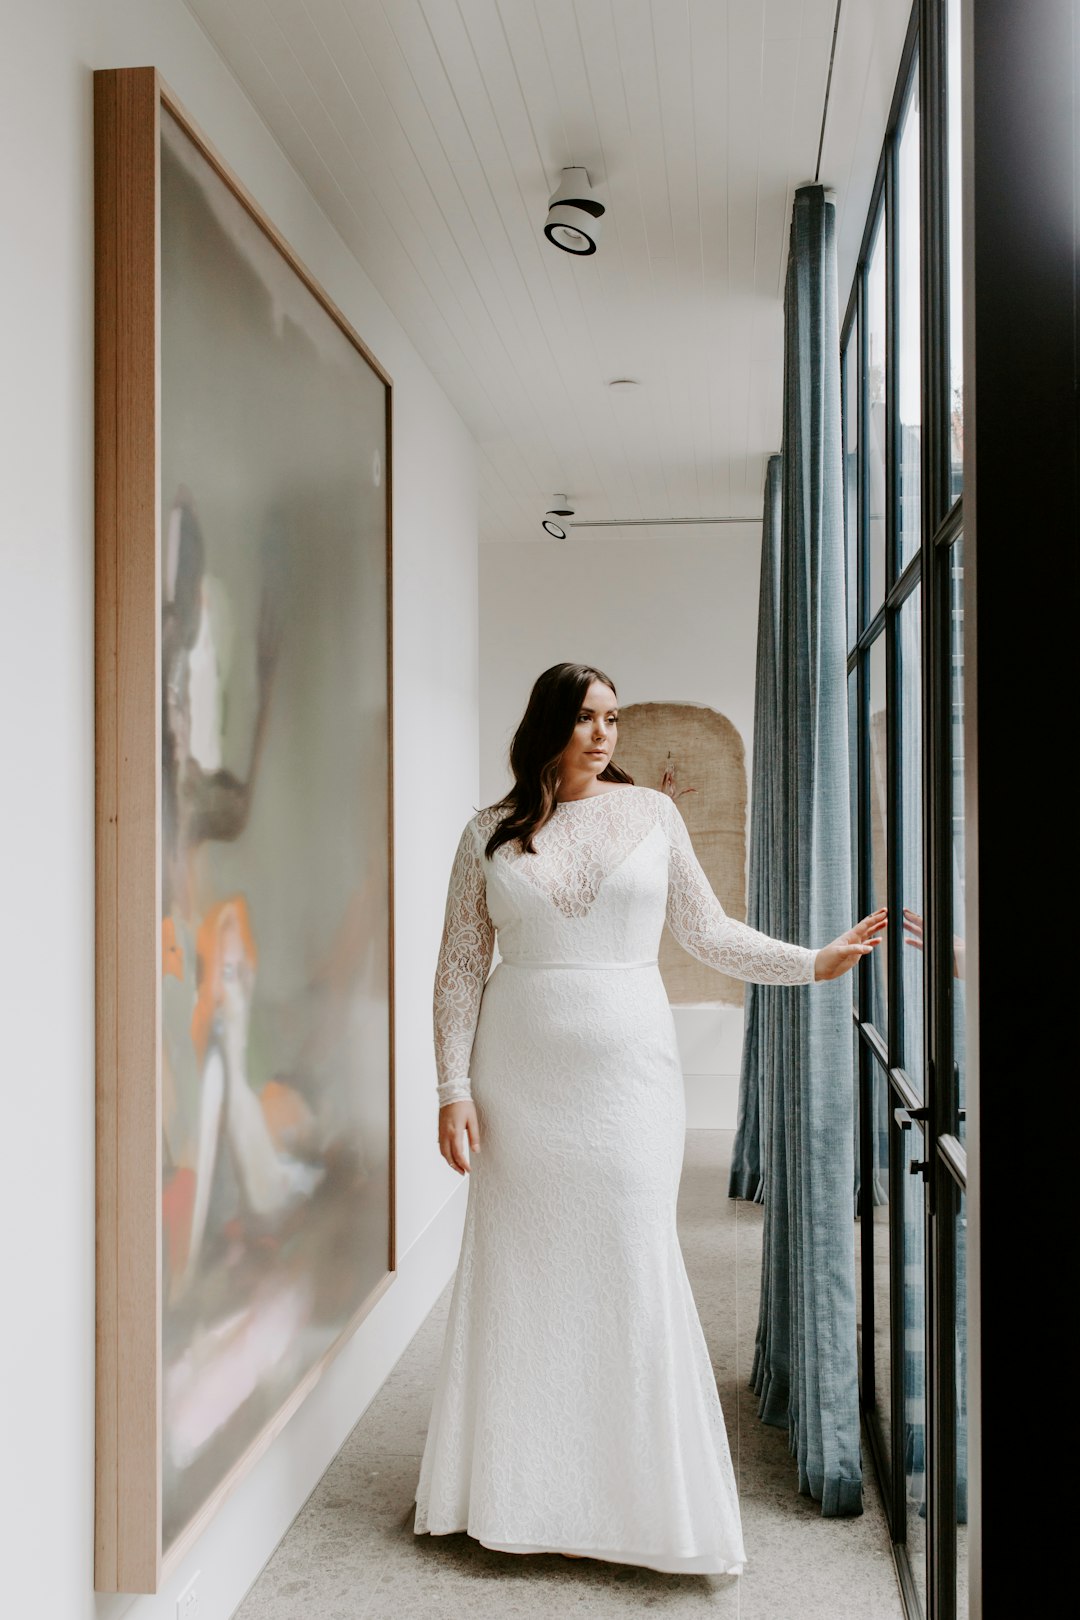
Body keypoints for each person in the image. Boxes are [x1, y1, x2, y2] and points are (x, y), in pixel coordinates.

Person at [412, 662, 886, 1575]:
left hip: (630, 1079)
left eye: (612, 719)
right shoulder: (488, 834)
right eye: (586, 718)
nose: (603, 734)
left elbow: (707, 932)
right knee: (526, 1275)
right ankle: (515, 1495)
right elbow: (459, 970)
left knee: (630, 1261)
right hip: (519, 1081)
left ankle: (645, 1506)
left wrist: (811, 962)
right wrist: (450, 1090)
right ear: (546, 723)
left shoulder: (652, 816)